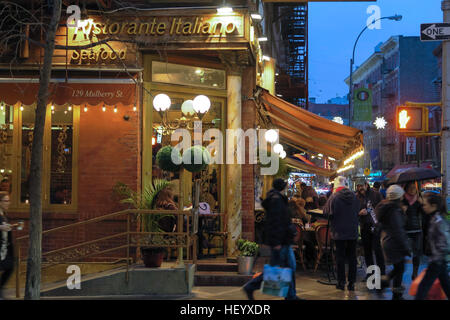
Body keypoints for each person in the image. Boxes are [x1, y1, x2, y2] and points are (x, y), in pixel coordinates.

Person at [243, 178, 302, 300]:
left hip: (283, 240)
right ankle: (251, 286)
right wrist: (276, 242)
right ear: (283, 187)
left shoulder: (276, 199)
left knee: (289, 267)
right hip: (280, 241)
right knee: (277, 269)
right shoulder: (276, 200)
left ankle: (291, 295)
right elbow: (275, 222)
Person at [323, 176, 360, 291]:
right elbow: (357, 210)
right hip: (353, 231)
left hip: (339, 232)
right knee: (352, 257)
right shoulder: (354, 196)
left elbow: (326, 212)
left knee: (340, 258)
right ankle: (352, 283)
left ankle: (341, 282)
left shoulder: (334, 197)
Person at [376, 185, 411, 300]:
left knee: (399, 267)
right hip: (394, 242)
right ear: (399, 197)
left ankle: (386, 284)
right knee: (400, 268)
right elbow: (398, 230)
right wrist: (406, 247)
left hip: (388, 240)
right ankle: (394, 292)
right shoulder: (394, 210)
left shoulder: (387, 207)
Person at [415, 193, 450, 300]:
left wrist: (436, 259)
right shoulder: (433, 218)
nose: (423, 207)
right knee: (446, 285)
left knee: (423, 287)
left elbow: (444, 242)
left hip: (437, 260)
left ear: (433, 206)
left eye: (425, 205)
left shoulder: (438, 221)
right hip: (439, 260)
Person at [357, 181, 385, 279]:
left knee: (377, 250)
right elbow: (355, 210)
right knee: (367, 251)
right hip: (364, 226)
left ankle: (382, 273)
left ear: (366, 185)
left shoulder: (375, 194)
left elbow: (381, 207)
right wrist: (359, 212)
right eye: (358, 186)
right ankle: (371, 274)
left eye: (362, 185)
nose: (360, 188)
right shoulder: (357, 197)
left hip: (375, 226)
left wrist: (368, 211)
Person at [402, 181, 424, 280]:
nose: (412, 190)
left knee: (417, 253)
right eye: (410, 188)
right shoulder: (402, 200)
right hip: (405, 230)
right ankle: (399, 272)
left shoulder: (418, 200)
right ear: (406, 189)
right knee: (403, 253)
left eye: (413, 188)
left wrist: (422, 203)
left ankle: (415, 273)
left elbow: (424, 214)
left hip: (416, 230)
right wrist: (402, 210)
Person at [0, 192, 14, 298]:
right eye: (6, 201)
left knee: (10, 266)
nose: (8, 203)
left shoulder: (4, 215)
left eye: (9, 200)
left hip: (5, 249)